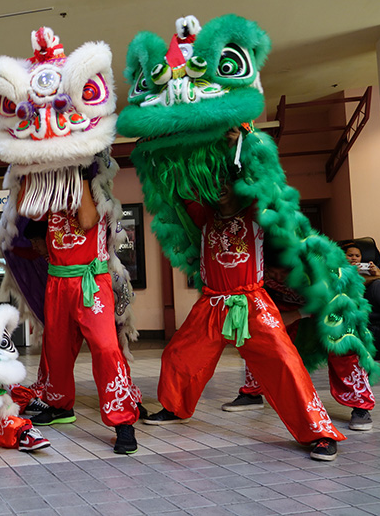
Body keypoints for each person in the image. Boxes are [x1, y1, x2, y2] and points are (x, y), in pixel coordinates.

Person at [143, 179, 346, 461]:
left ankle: (319, 431)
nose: (220, 186)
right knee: (178, 355)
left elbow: (264, 180)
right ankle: (175, 408)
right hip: (212, 302)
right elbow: (182, 183)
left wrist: (242, 135)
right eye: (215, 181)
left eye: (227, 180)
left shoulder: (254, 213)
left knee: (286, 362)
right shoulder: (205, 216)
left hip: (253, 302)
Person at [24, 175, 141, 455]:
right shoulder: (50, 190)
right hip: (58, 283)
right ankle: (60, 406)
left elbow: (87, 220)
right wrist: (29, 168)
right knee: (57, 348)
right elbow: (27, 207)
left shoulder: (93, 187)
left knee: (105, 347)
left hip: (90, 281)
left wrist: (76, 176)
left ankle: (123, 420)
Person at [222, 260, 375, 431]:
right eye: (273, 273)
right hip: (284, 305)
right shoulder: (258, 270)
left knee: (343, 345)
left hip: (330, 308)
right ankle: (252, 393)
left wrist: (298, 314)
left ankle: (361, 406)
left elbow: (335, 304)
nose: (278, 278)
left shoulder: (323, 272)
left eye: (283, 273)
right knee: (261, 339)